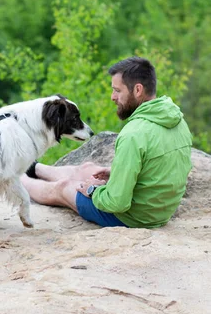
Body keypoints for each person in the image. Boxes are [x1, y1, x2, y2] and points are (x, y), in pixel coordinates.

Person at [21, 56, 193, 228]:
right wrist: (115, 172)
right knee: (88, 169)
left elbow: (117, 203)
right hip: (159, 210)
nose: (112, 97)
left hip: (134, 217)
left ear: (138, 90)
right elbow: (160, 166)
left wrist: (92, 190)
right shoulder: (178, 121)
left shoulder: (133, 134)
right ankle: (35, 167)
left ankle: (18, 179)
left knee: (64, 187)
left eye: (117, 90)